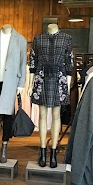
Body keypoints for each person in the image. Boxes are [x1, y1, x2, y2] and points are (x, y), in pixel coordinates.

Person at [27, 23, 73, 168]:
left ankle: (53, 153)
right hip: (42, 78)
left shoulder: (66, 39)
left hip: (59, 79)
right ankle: (42, 152)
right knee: (42, 115)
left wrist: (67, 85)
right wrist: (30, 84)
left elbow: (69, 64)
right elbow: (33, 63)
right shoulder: (38, 39)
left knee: (56, 116)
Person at [0, 24, 27, 163]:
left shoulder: (20, 39)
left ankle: (4, 147)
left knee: (8, 115)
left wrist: (21, 84)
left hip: (11, 81)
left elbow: (23, 63)